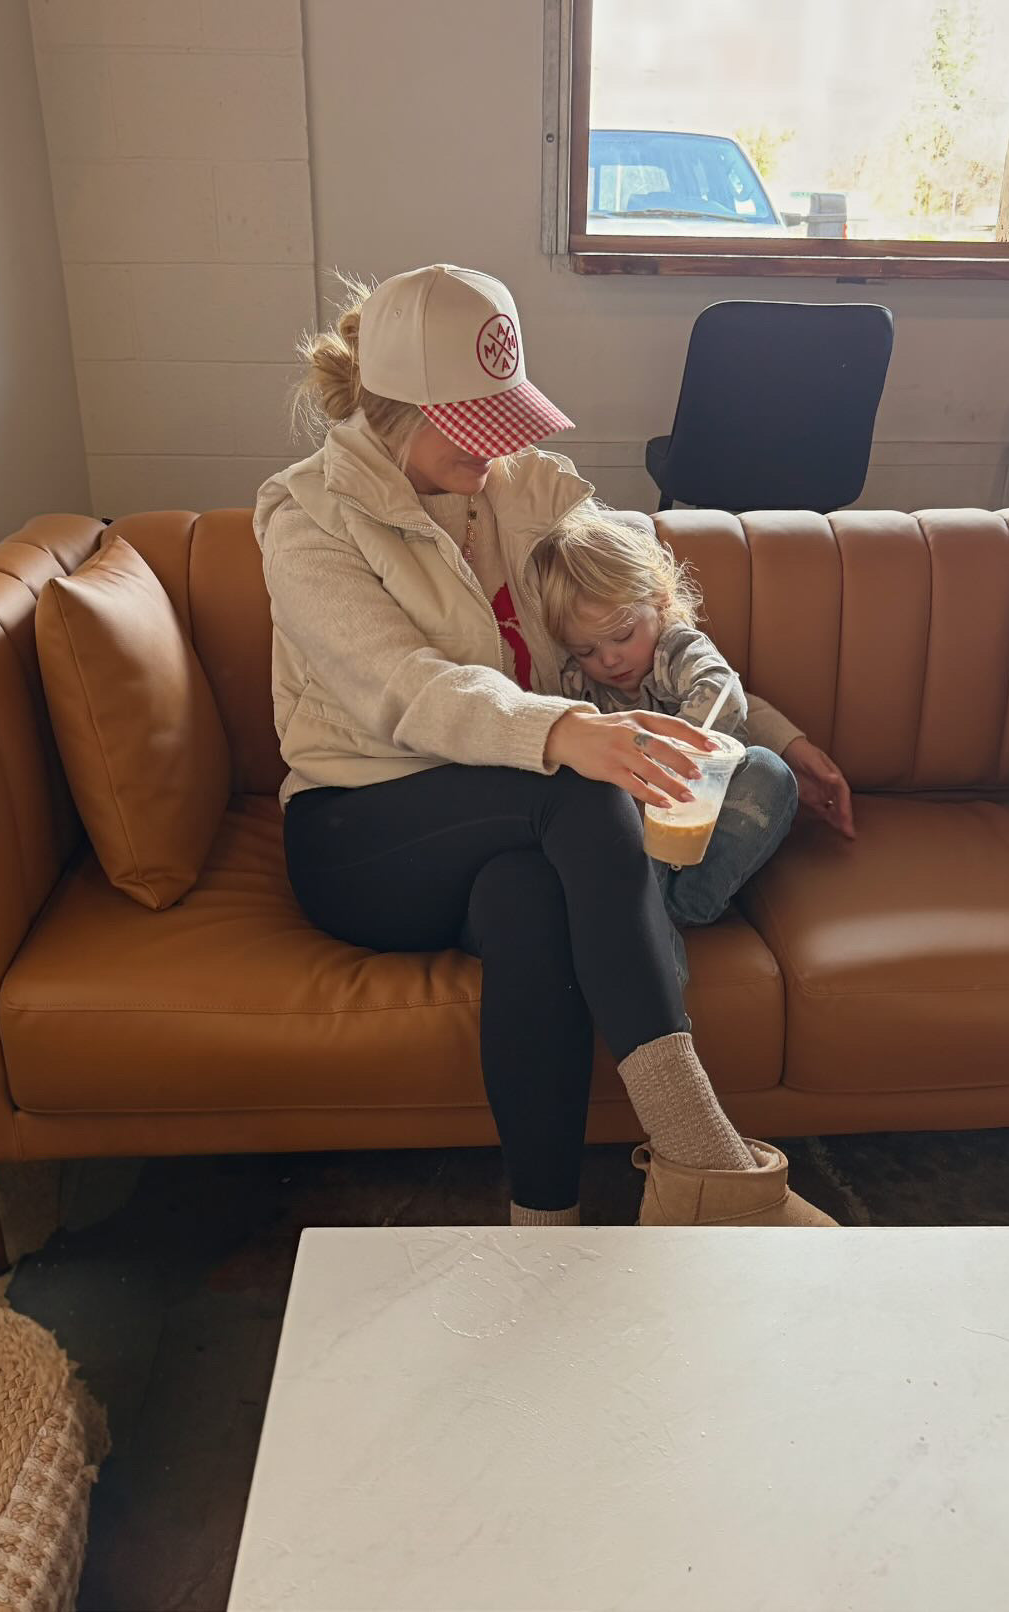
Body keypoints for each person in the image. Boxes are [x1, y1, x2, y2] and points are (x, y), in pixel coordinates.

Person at [253, 262, 850, 1228]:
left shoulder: (529, 487)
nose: (500, 451)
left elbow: (642, 624)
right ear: (401, 409)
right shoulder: (306, 518)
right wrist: (568, 731)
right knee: (582, 789)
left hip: (510, 826)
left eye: (508, 419)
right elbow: (405, 688)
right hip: (363, 834)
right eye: (476, 426)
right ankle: (706, 1160)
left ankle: (545, 1228)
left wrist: (781, 733)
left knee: (532, 902)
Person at [536, 510, 799, 956]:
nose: (610, 660)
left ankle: (688, 905)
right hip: (627, 832)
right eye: (587, 650)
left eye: (622, 635)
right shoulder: (574, 679)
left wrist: (671, 761)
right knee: (603, 810)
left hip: (700, 823)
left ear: (658, 601)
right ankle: (649, 925)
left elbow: (725, 694)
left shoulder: (675, 648)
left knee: (770, 772)